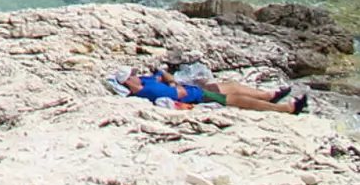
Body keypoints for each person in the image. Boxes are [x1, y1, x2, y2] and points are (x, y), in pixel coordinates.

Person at [114, 66, 308, 114]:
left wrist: (171, 81)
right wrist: (173, 84)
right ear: (127, 81)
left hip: (192, 88)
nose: (136, 73)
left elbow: (162, 73)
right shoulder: (145, 92)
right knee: (235, 97)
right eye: (132, 74)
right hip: (196, 97)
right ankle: (286, 109)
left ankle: (270, 96)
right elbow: (178, 94)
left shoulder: (145, 81)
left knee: (231, 85)